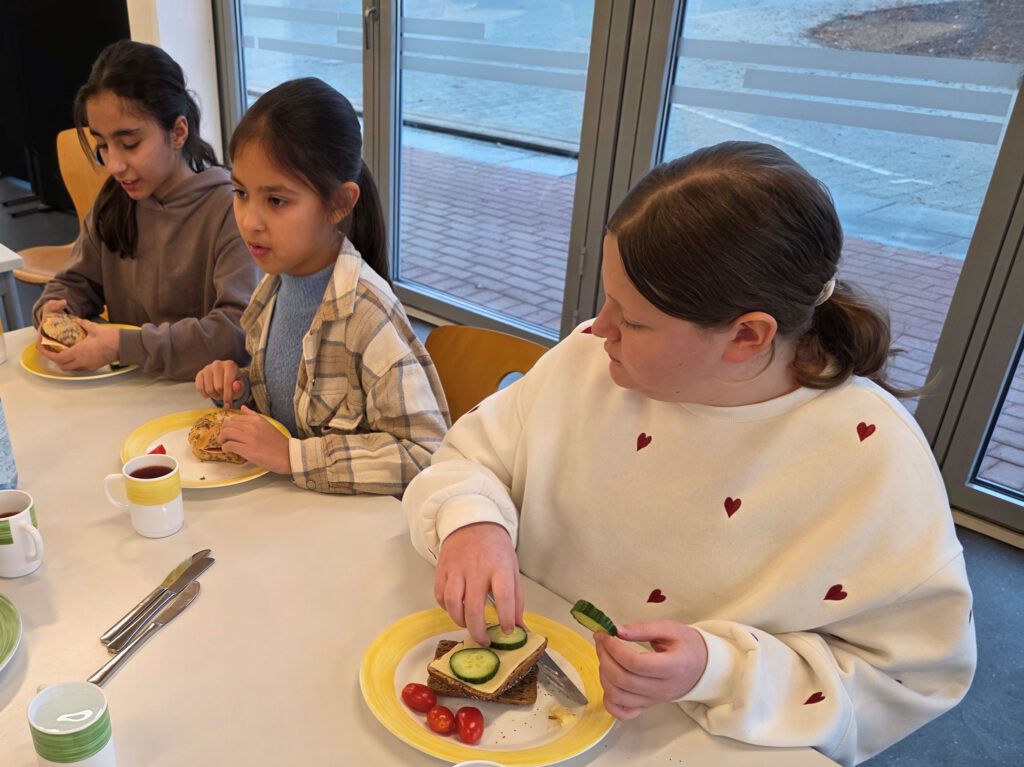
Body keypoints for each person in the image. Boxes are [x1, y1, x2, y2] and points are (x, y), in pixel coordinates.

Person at [403, 142, 976, 765]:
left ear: (746, 335)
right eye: (608, 299)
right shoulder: (588, 361)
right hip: (525, 717)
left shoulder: (872, 460)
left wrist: (717, 669)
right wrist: (472, 520)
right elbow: (471, 456)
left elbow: (906, 676)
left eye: (634, 320)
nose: (599, 328)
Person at [194, 78, 449, 495]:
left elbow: (425, 454)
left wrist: (293, 456)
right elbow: (291, 408)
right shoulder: (271, 291)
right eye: (240, 192)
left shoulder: (367, 315)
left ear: (339, 204)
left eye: (276, 200)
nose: (250, 221)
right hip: (291, 506)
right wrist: (239, 387)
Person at [33, 40, 258, 380]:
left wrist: (122, 346)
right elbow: (75, 282)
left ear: (178, 132)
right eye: (102, 145)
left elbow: (235, 332)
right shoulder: (114, 201)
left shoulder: (229, 208)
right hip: (127, 389)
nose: (114, 164)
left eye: (130, 143)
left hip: (200, 395)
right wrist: (53, 311)